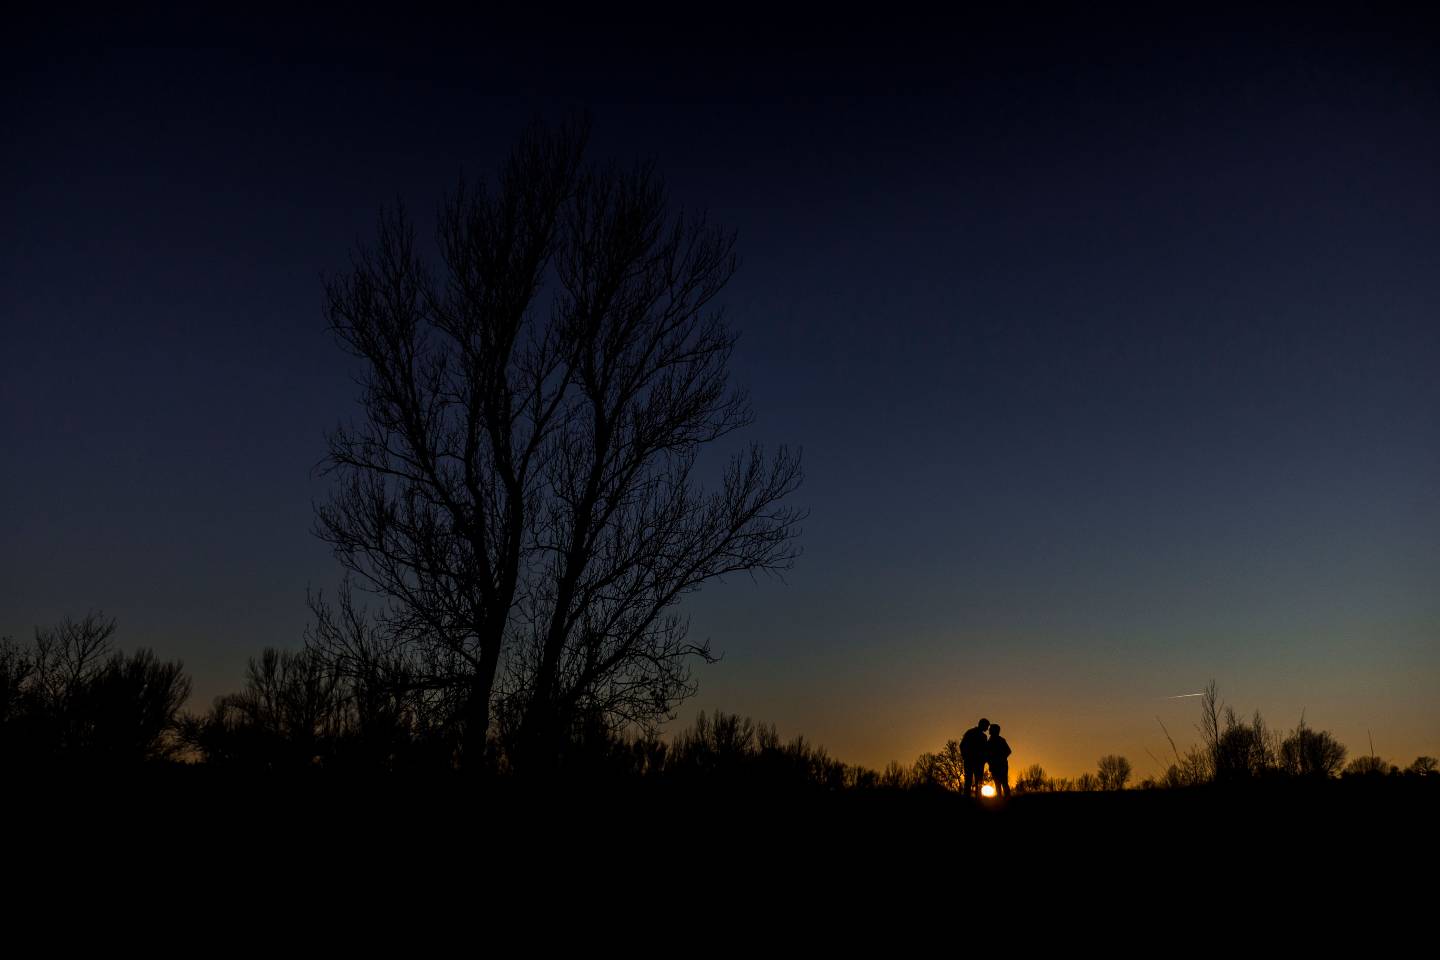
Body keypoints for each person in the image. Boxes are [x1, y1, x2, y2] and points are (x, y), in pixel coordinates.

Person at [959, 717, 990, 797]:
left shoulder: (975, 734)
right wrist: (965, 756)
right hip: (972, 761)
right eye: (986, 726)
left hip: (976, 761)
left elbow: (985, 750)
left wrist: (985, 759)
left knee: (975, 781)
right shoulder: (975, 734)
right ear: (982, 725)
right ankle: (975, 798)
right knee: (972, 780)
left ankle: (976, 798)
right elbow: (962, 745)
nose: (987, 729)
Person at [988, 723, 1012, 798]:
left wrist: (1000, 758)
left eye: (990, 729)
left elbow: (1008, 751)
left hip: (1000, 765)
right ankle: (1001, 799)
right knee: (998, 783)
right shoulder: (990, 741)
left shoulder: (999, 740)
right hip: (996, 765)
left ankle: (1006, 799)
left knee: (1003, 782)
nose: (989, 730)